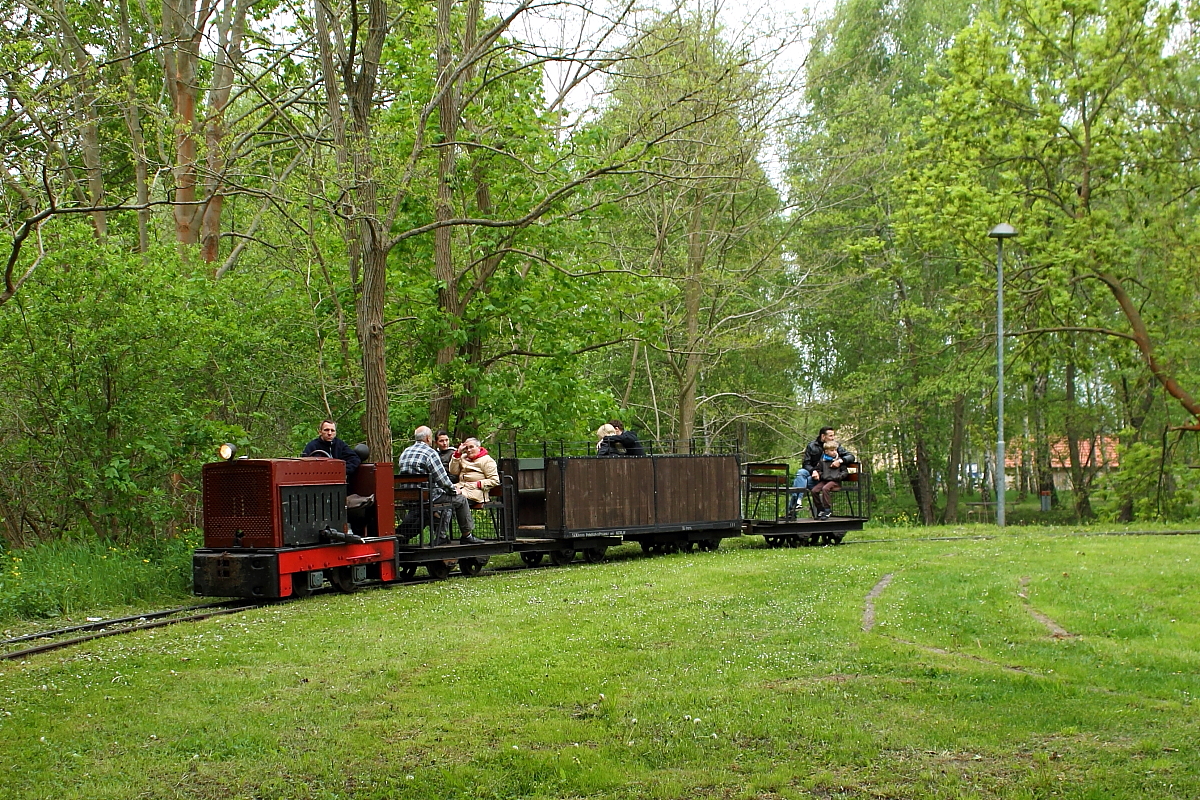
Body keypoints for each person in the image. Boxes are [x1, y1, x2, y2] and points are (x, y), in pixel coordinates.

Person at [396, 426, 483, 545]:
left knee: (432, 510)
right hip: (427, 497)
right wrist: (453, 490)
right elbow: (443, 480)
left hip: (408, 497)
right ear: (428, 438)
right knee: (460, 500)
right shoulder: (430, 453)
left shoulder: (405, 452)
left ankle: (404, 535)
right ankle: (466, 536)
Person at [791, 426, 855, 511]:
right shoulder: (811, 445)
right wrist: (813, 471)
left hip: (824, 476)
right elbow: (806, 463)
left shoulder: (835, 446)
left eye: (833, 435)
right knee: (801, 472)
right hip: (812, 472)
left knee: (798, 482)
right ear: (823, 436)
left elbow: (851, 456)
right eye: (830, 436)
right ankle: (798, 503)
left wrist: (840, 461)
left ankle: (793, 509)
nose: (833, 438)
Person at [449, 437, 500, 503]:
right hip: (460, 488)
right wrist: (458, 453)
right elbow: (453, 471)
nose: (469, 450)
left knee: (454, 500)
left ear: (478, 447)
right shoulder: (463, 457)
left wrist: (477, 484)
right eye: (466, 448)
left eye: (471, 447)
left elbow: (495, 480)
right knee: (441, 496)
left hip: (475, 493)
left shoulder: (487, 460)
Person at [811, 439, 852, 518]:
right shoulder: (823, 461)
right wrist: (821, 475)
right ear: (826, 452)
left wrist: (838, 477)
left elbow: (844, 472)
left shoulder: (839, 461)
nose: (834, 452)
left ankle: (827, 509)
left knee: (825, 489)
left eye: (835, 450)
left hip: (835, 482)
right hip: (825, 480)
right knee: (814, 490)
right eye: (832, 450)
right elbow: (819, 469)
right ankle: (820, 509)